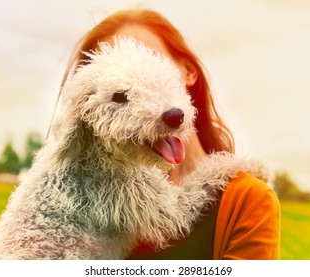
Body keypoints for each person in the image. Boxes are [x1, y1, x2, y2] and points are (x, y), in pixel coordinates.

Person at [57, 8, 281, 260]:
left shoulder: (247, 200)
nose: (141, 83)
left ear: (188, 71)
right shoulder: (83, 192)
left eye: (152, 61)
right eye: (120, 93)